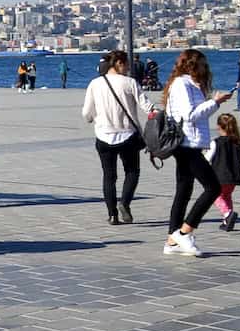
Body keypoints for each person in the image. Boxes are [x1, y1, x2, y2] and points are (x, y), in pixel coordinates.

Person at [162, 49, 231, 257]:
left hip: (191, 143)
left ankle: (172, 241)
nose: (205, 68)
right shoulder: (182, 84)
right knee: (213, 187)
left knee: (183, 191)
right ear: (191, 65)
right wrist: (215, 102)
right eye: (202, 64)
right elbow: (189, 115)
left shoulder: (192, 85)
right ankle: (185, 231)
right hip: (186, 144)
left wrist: (211, 101)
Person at [82, 50, 151, 225]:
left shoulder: (95, 84)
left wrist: (92, 119)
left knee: (109, 176)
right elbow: (147, 106)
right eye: (127, 64)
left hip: (104, 135)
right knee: (132, 172)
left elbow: (86, 113)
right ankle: (125, 203)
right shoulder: (130, 83)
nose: (128, 67)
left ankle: (112, 215)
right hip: (128, 135)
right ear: (119, 63)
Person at [210, 112, 240, 232]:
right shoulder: (238, 142)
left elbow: (208, 157)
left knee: (215, 196)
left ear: (218, 127)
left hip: (219, 176)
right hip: (234, 176)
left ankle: (227, 214)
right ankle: (227, 221)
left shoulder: (215, 142)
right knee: (227, 196)